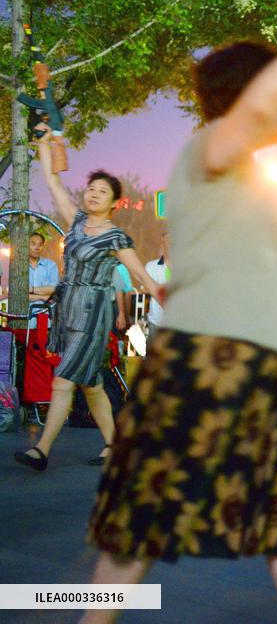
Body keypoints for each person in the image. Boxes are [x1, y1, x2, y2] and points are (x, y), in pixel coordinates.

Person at [84, 0, 277, 624]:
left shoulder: (243, 170)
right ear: (248, 94)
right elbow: (261, 109)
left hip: (257, 359)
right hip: (205, 356)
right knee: (144, 511)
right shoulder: (210, 147)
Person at [14, 135, 164, 473]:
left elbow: (141, 274)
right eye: (91, 188)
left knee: (63, 380)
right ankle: (116, 445)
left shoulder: (116, 237)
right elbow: (53, 180)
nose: (94, 193)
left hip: (93, 314)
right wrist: (44, 144)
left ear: (115, 202)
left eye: (102, 191)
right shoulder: (77, 222)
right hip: (67, 310)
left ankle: (41, 450)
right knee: (92, 385)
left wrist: (170, 302)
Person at [27, 231, 60, 329]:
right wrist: (43, 297)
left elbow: (53, 289)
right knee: (23, 338)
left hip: (46, 314)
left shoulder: (51, 265)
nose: (37, 247)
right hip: (24, 315)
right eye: (33, 244)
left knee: (45, 338)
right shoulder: (19, 267)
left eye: (40, 244)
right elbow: (20, 295)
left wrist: (31, 289)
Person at [143, 229, 170, 339]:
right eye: (170, 242)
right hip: (156, 324)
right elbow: (144, 294)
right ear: (162, 246)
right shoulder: (151, 267)